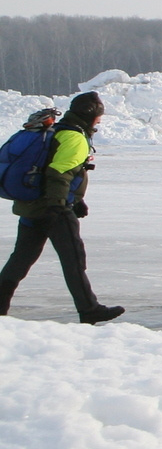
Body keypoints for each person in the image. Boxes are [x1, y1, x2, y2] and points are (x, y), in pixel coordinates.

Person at [0, 95, 123, 323]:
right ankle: (89, 309)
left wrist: (76, 200)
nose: (99, 121)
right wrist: (58, 208)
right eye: (98, 116)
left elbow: (58, 171)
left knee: (20, 261)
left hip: (32, 207)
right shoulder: (75, 137)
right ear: (90, 115)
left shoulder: (58, 131)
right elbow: (59, 173)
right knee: (73, 260)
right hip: (53, 209)